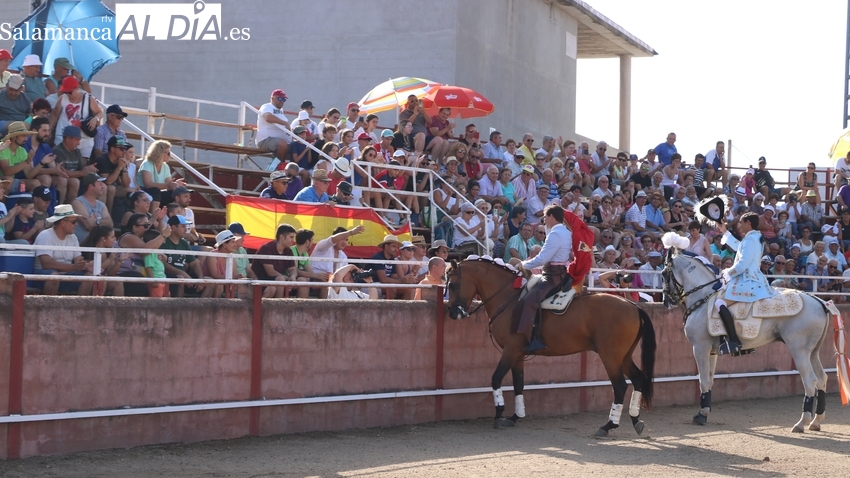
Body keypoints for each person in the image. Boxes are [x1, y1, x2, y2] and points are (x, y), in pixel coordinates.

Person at [512, 205, 572, 353]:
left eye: (545, 217)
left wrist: (523, 264)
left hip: (553, 275)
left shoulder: (555, 234)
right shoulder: (565, 232)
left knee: (529, 300)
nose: (544, 221)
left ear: (551, 217)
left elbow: (543, 258)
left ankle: (534, 338)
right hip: (560, 272)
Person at [716, 212, 776, 356]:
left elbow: (742, 265)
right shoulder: (753, 238)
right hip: (753, 279)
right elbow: (738, 247)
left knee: (719, 303)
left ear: (748, 223)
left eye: (741, 222)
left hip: (747, 281)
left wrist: (726, 273)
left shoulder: (751, 240)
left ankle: (734, 340)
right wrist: (724, 231)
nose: (738, 225)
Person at [32, 204, 89, 295]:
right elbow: (46, 264)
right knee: (54, 277)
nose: (76, 224)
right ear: (63, 223)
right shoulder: (45, 235)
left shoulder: (73, 237)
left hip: (65, 274)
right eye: (74, 222)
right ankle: (49, 308)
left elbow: (78, 260)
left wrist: (85, 265)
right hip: (43, 276)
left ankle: (80, 308)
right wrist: (73, 267)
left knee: (89, 277)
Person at [252, 223, 298, 298]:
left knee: (302, 280)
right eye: (291, 237)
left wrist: (293, 277)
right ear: (282, 237)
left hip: (277, 280)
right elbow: (270, 272)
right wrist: (287, 279)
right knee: (281, 279)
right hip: (259, 281)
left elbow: (292, 269)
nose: (293, 240)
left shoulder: (288, 251)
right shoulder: (266, 248)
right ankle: (278, 307)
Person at [71, 172, 114, 242]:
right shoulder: (77, 203)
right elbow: (88, 226)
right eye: (100, 184)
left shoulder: (101, 205)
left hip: (97, 246)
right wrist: (103, 222)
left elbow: (110, 224)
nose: (103, 187)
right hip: (82, 248)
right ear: (91, 186)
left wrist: (96, 221)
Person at [0, 120, 40, 193]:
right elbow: (7, 172)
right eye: (23, 136)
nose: (26, 139)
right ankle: (2, 204)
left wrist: (42, 163)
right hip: (3, 181)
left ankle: (26, 203)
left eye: (27, 136)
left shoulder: (22, 150)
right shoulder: (2, 147)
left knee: (36, 183)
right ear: (14, 137)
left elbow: (29, 175)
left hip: (12, 181)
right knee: (9, 180)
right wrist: (27, 161)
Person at [256, 89, 291, 162]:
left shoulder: (281, 110)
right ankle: (277, 168)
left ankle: (295, 170)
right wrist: (285, 123)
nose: (282, 101)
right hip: (265, 140)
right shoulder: (266, 106)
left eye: (284, 99)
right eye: (280, 98)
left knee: (299, 147)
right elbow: (268, 117)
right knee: (283, 144)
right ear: (272, 98)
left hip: (280, 140)